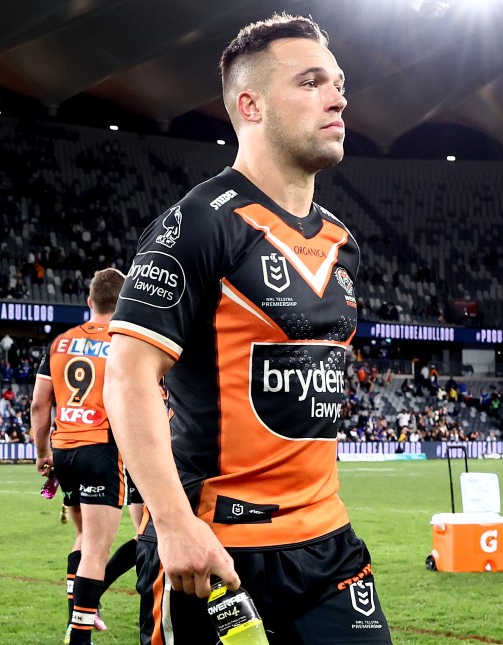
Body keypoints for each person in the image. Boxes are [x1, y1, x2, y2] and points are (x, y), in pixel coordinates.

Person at [104, 14, 391, 644]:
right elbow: (126, 376)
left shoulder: (342, 241)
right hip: (219, 553)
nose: (338, 97)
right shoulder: (198, 225)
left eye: (338, 82)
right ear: (250, 104)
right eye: (311, 82)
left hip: (329, 548)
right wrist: (174, 525)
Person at [32, 268, 134, 645]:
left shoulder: (60, 343)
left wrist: (43, 453)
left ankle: (77, 613)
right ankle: (80, 635)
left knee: (81, 536)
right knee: (96, 548)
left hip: (65, 450)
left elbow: (39, 406)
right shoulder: (124, 341)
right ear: (123, 302)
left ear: (89, 302)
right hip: (101, 447)